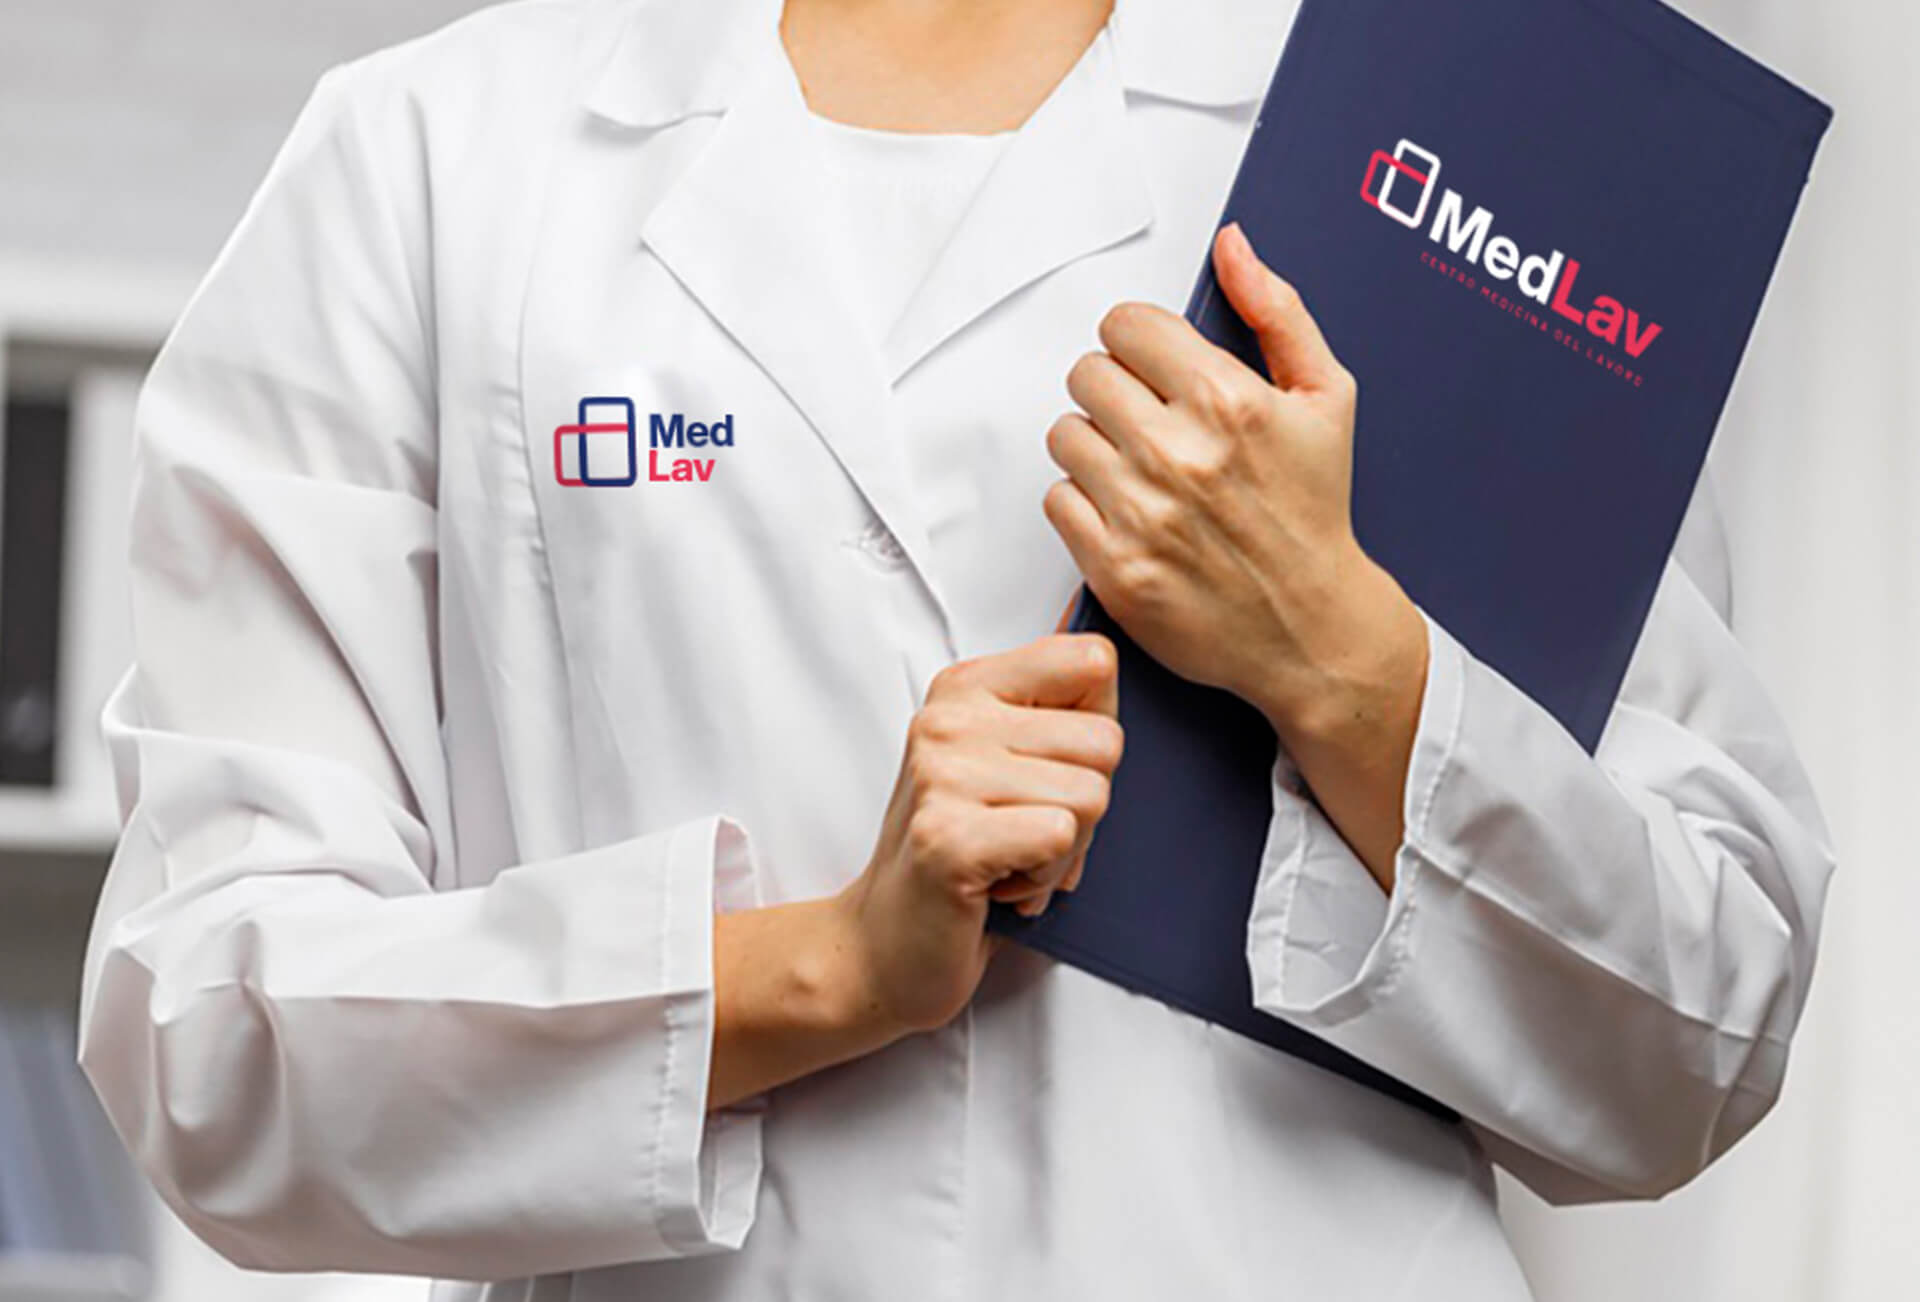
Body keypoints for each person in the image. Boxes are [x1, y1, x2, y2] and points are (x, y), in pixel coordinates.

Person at [78, 0, 1834, 1298]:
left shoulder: (1450, 132)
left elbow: (1703, 1024)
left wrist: (1344, 662)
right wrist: (812, 970)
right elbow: (208, 1030)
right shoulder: (429, 164)